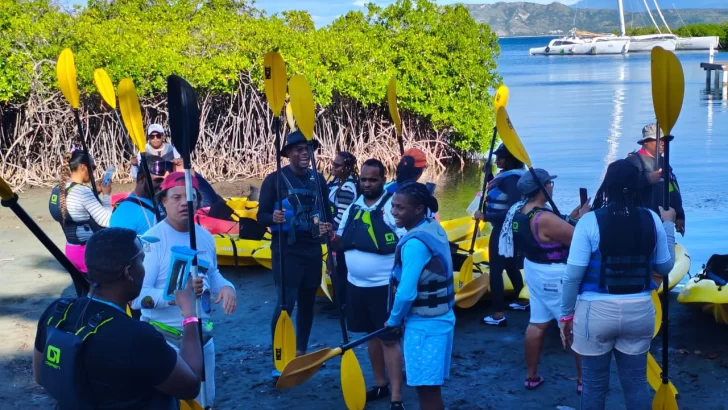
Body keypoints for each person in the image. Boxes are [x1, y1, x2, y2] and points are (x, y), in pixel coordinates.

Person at [33, 227, 204, 410]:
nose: (143, 269)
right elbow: (191, 386)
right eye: (141, 261)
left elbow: (41, 376)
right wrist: (190, 315)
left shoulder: (58, 311)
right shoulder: (137, 337)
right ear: (129, 272)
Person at [559, 159, 676, 410]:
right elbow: (665, 268)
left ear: (607, 185)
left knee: (594, 384)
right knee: (635, 382)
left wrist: (566, 317)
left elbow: (572, 277)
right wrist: (669, 225)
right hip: (640, 312)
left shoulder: (589, 222)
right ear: (636, 186)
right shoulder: (653, 219)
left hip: (596, 313)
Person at [131, 172, 238, 406]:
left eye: (189, 197)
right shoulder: (151, 241)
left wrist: (227, 287)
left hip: (202, 336)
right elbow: (136, 298)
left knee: (204, 401)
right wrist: (176, 297)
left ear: (198, 202)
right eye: (176, 197)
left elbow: (212, 273)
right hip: (162, 339)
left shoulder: (205, 236)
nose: (183, 203)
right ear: (164, 201)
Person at [256, 130, 333, 378]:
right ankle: (281, 354)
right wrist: (272, 218)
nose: (304, 154)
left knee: (308, 302)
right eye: (298, 149)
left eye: (308, 149)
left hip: (311, 249)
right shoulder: (274, 180)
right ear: (288, 153)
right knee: (285, 303)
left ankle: (300, 351)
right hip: (285, 249)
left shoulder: (318, 180)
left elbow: (327, 215)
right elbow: (261, 216)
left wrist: (327, 233)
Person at [508, 169, 589, 392]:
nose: (553, 187)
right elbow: (578, 240)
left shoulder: (519, 211)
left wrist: (573, 218)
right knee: (572, 325)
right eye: (550, 184)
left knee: (538, 322)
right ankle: (584, 381)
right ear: (543, 188)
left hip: (534, 270)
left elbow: (558, 228)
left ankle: (531, 376)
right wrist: (585, 220)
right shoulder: (544, 218)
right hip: (554, 276)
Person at [334, 159, 405, 409]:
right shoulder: (354, 207)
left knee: (389, 339)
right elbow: (339, 240)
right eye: (363, 179)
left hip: (383, 288)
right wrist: (328, 234)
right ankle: (380, 384)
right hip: (356, 286)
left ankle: (396, 396)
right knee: (370, 336)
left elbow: (405, 244)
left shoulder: (392, 208)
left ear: (383, 180)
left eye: (373, 179)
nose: (367, 184)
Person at [387, 182, 454, 410]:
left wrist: (393, 321)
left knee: (426, 391)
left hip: (424, 327)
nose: (394, 212)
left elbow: (406, 293)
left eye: (400, 208)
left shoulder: (414, 244)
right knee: (430, 388)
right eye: (393, 206)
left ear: (418, 209)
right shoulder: (433, 227)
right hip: (442, 320)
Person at [474, 143, 527, 326]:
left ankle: (498, 314)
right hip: (507, 230)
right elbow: (496, 190)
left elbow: (514, 209)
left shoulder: (512, 180)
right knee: (511, 264)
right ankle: (522, 300)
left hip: (505, 231)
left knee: (495, 270)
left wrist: (486, 216)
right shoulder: (508, 176)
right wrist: (487, 174)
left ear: (511, 159)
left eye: (501, 157)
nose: (498, 160)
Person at [49, 148, 113, 275]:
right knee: (97, 293)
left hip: (70, 251)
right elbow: (107, 221)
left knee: (81, 292)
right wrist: (106, 195)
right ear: (83, 168)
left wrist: (94, 192)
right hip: (87, 253)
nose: (93, 172)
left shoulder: (58, 189)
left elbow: (74, 207)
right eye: (93, 167)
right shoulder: (82, 191)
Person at [622, 123, 685, 236]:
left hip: (663, 223)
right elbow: (621, 189)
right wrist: (647, 180)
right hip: (641, 226)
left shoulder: (664, 162)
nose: (662, 143)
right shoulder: (631, 162)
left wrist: (680, 215)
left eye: (664, 140)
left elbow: (673, 189)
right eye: (658, 140)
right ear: (645, 142)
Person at [109, 155, 173, 234]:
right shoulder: (124, 213)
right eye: (158, 180)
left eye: (167, 181)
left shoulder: (164, 202)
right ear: (141, 179)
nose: (163, 185)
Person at [327, 151, 359, 307]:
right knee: (338, 270)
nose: (333, 167)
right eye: (333, 163)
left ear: (346, 168)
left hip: (340, 236)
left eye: (337, 165)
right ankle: (339, 303)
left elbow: (342, 215)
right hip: (337, 233)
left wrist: (332, 235)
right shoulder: (338, 183)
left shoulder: (347, 187)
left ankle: (341, 305)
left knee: (340, 270)